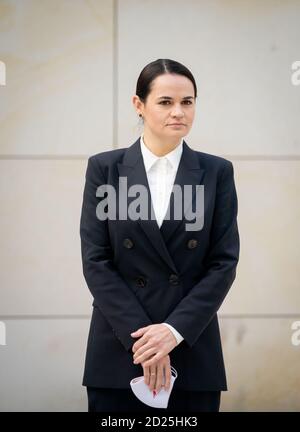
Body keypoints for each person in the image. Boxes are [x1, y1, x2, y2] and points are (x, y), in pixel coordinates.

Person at [79, 58, 240, 412]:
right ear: (139, 104)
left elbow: (223, 263)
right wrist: (146, 340)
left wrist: (173, 331)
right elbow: (96, 260)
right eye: (166, 102)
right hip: (121, 346)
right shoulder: (104, 169)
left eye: (188, 101)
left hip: (191, 347)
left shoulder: (217, 172)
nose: (179, 112)